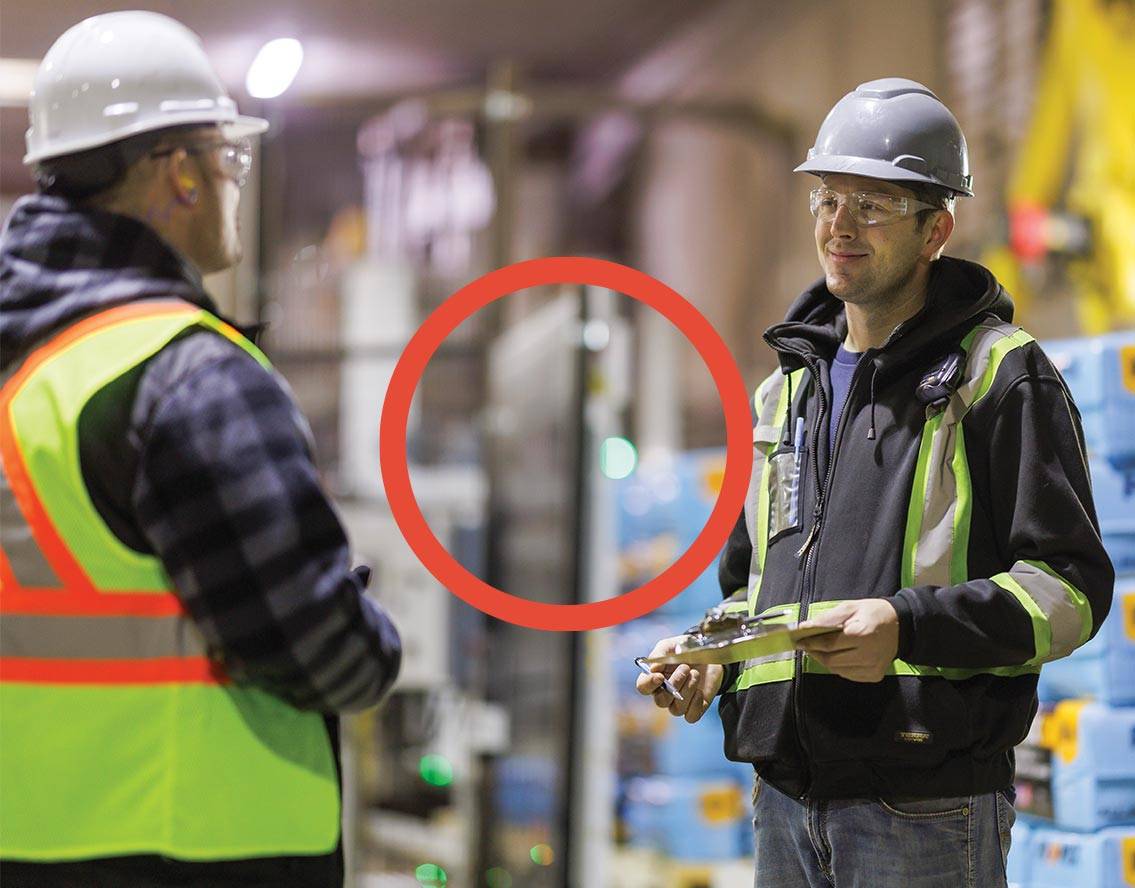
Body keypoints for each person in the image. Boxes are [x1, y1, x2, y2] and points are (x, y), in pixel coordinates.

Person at [637, 78, 1114, 888]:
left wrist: (906, 627)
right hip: (783, 799)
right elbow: (752, 584)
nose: (839, 225)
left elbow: (1068, 592)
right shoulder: (786, 392)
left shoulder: (998, 375)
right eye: (827, 198)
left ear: (936, 230)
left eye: (872, 204)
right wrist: (712, 656)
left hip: (924, 808)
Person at [0, 12, 400, 887]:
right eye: (227, 160)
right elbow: (319, 647)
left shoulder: (22, 368)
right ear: (179, 172)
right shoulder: (186, 375)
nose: (231, 183)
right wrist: (373, 628)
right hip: (195, 847)